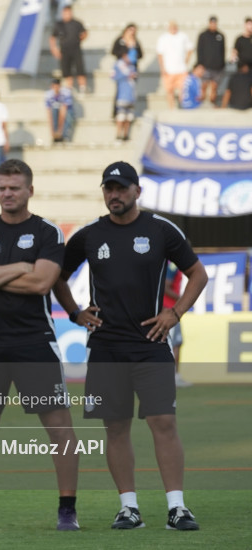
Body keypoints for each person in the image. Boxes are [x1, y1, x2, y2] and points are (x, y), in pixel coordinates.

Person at [53, 160, 208, 531]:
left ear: (137, 191)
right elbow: (57, 277)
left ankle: (177, 508)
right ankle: (129, 508)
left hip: (151, 344)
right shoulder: (89, 235)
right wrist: (75, 313)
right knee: (116, 428)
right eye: (109, 188)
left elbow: (198, 274)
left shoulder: (161, 229)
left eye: (121, 188)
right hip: (105, 348)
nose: (114, 194)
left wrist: (175, 313)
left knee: (163, 422)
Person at [0, 159, 80, 532]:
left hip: (35, 341)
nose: (7, 194)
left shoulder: (47, 232)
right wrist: (22, 267)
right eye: (2, 188)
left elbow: (42, 284)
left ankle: (67, 511)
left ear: (30, 190)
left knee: (59, 429)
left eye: (14, 187)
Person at [50, 5, 88, 93]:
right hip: (64, 50)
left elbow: (84, 33)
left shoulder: (77, 23)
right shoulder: (59, 24)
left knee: (80, 69)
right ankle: (69, 88)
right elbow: (52, 37)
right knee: (66, 70)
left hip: (76, 49)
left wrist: (79, 39)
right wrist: (54, 49)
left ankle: (82, 87)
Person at [164, 262, 191, 388]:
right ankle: (174, 376)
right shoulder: (173, 266)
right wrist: (182, 299)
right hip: (170, 309)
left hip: (168, 308)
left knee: (174, 343)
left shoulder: (169, 265)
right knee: (175, 343)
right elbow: (166, 286)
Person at [156, 21, 194, 109]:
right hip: (169, 70)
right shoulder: (163, 38)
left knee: (183, 91)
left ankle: (183, 107)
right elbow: (160, 54)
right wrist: (162, 68)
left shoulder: (183, 36)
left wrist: (186, 60)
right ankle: (171, 108)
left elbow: (190, 48)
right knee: (169, 91)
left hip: (181, 69)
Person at [196, 16, 226, 105]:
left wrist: (222, 64)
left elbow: (223, 51)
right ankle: (201, 104)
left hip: (217, 67)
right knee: (203, 86)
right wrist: (200, 64)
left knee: (214, 87)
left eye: (215, 23)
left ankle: (212, 103)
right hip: (206, 66)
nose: (213, 25)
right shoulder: (203, 35)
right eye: (212, 23)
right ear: (209, 23)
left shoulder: (220, 36)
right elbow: (199, 50)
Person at [112, 46, 137, 140]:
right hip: (122, 95)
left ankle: (126, 135)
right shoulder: (118, 65)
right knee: (121, 116)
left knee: (129, 116)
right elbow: (113, 77)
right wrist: (125, 76)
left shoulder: (131, 66)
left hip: (131, 95)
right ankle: (118, 134)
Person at [44, 78, 74, 143]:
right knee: (54, 109)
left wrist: (60, 130)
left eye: (57, 86)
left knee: (68, 115)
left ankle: (64, 135)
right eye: (54, 87)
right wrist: (52, 131)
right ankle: (56, 135)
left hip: (66, 111)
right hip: (58, 111)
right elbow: (49, 113)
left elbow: (63, 111)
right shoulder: (48, 94)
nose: (56, 88)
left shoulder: (66, 93)